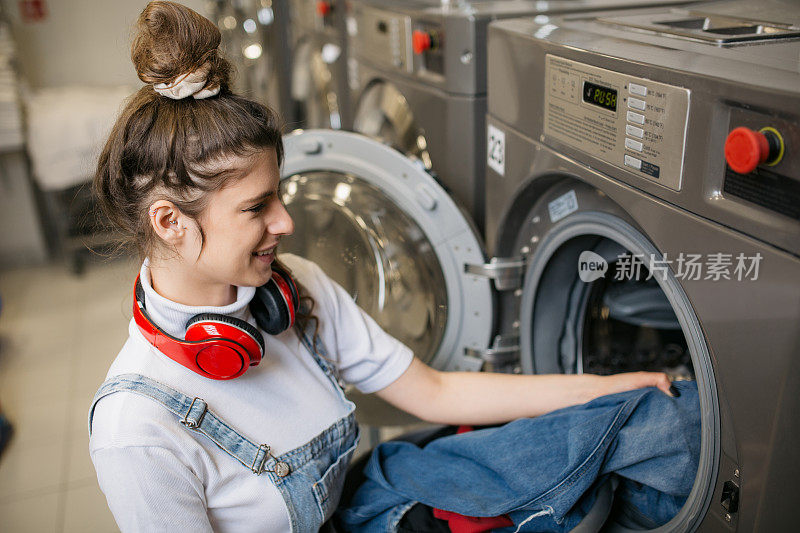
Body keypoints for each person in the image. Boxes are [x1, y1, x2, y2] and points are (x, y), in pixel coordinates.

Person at [88, 3, 684, 532]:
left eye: (280, 195)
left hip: (366, 502)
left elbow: (437, 392)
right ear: (168, 221)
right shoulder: (138, 426)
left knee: (650, 425)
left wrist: (607, 387)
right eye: (256, 207)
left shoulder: (293, 289)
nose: (285, 222)